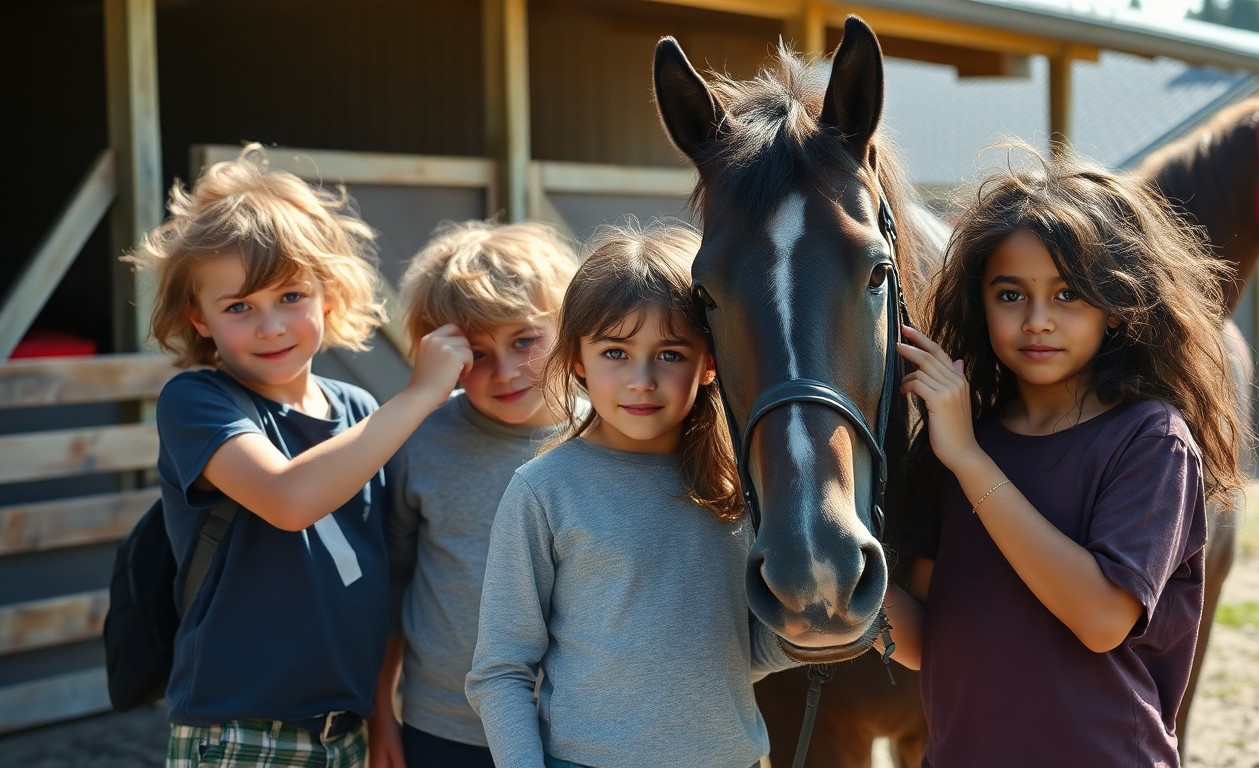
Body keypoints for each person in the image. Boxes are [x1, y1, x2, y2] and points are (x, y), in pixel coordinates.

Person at [878, 148, 1247, 766]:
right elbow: (922, 641)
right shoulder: (954, 441)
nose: (1038, 320)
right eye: (1010, 294)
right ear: (980, 300)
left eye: (1068, 292)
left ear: (1119, 301)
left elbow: (1101, 618)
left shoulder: (1150, 441)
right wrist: (841, 566)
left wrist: (970, 460)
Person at [125, 143, 469, 768]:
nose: (272, 327)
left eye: (290, 296)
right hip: (240, 733)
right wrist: (421, 394)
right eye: (238, 308)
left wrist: (381, 712)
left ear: (328, 293)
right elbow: (289, 499)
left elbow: (381, 575)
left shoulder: (360, 410)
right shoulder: (198, 400)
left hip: (347, 731)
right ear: (197, 319)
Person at [464, 221, 796, 768]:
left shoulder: (740, 488)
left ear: (710, 363)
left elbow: (748, 653)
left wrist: (810, 632)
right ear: (576, 360)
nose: (642, 379)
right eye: (615, 352)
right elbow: (501, 669)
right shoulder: (544, 490)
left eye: (670, 354)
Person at [369, 220, 579, 768]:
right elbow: (392, 579)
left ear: (569, 325)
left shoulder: (616, 435)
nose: (505, 371)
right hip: (443, 725)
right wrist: (379, 713)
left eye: (525, 340)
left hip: (582, 727)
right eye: (475, 352)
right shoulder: (418, 440)